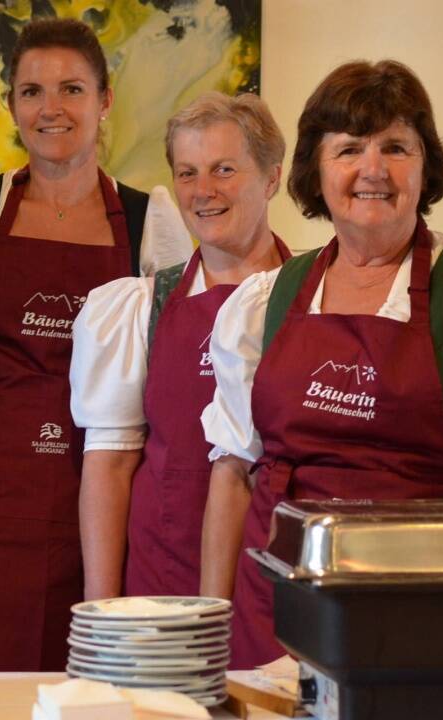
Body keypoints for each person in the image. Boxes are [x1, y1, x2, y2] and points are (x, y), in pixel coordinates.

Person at [199, 59, 443, 669]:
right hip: (274, 619)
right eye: (349, 149)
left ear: (425, 170)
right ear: (316, 174)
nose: (373, 169)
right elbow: (231, 474)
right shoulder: (263, 302)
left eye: (396, 147)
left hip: (427, 620)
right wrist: (207, 639)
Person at [0, 18, 191, 672]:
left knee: (92, 683)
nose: (52, 108)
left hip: (99, 500)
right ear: (10, 105)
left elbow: (171, 380)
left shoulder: (151, 220)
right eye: (32, 91)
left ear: (104, 100)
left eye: (71, 88)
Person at [69, 92, 291, 602]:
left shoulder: (315, 297)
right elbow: (110, 468)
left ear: (272, 177)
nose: (203, 191)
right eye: (187, 173)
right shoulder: (143, 306)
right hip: (165, 585)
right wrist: (100, 616)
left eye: (224, 169)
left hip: (280, 583)